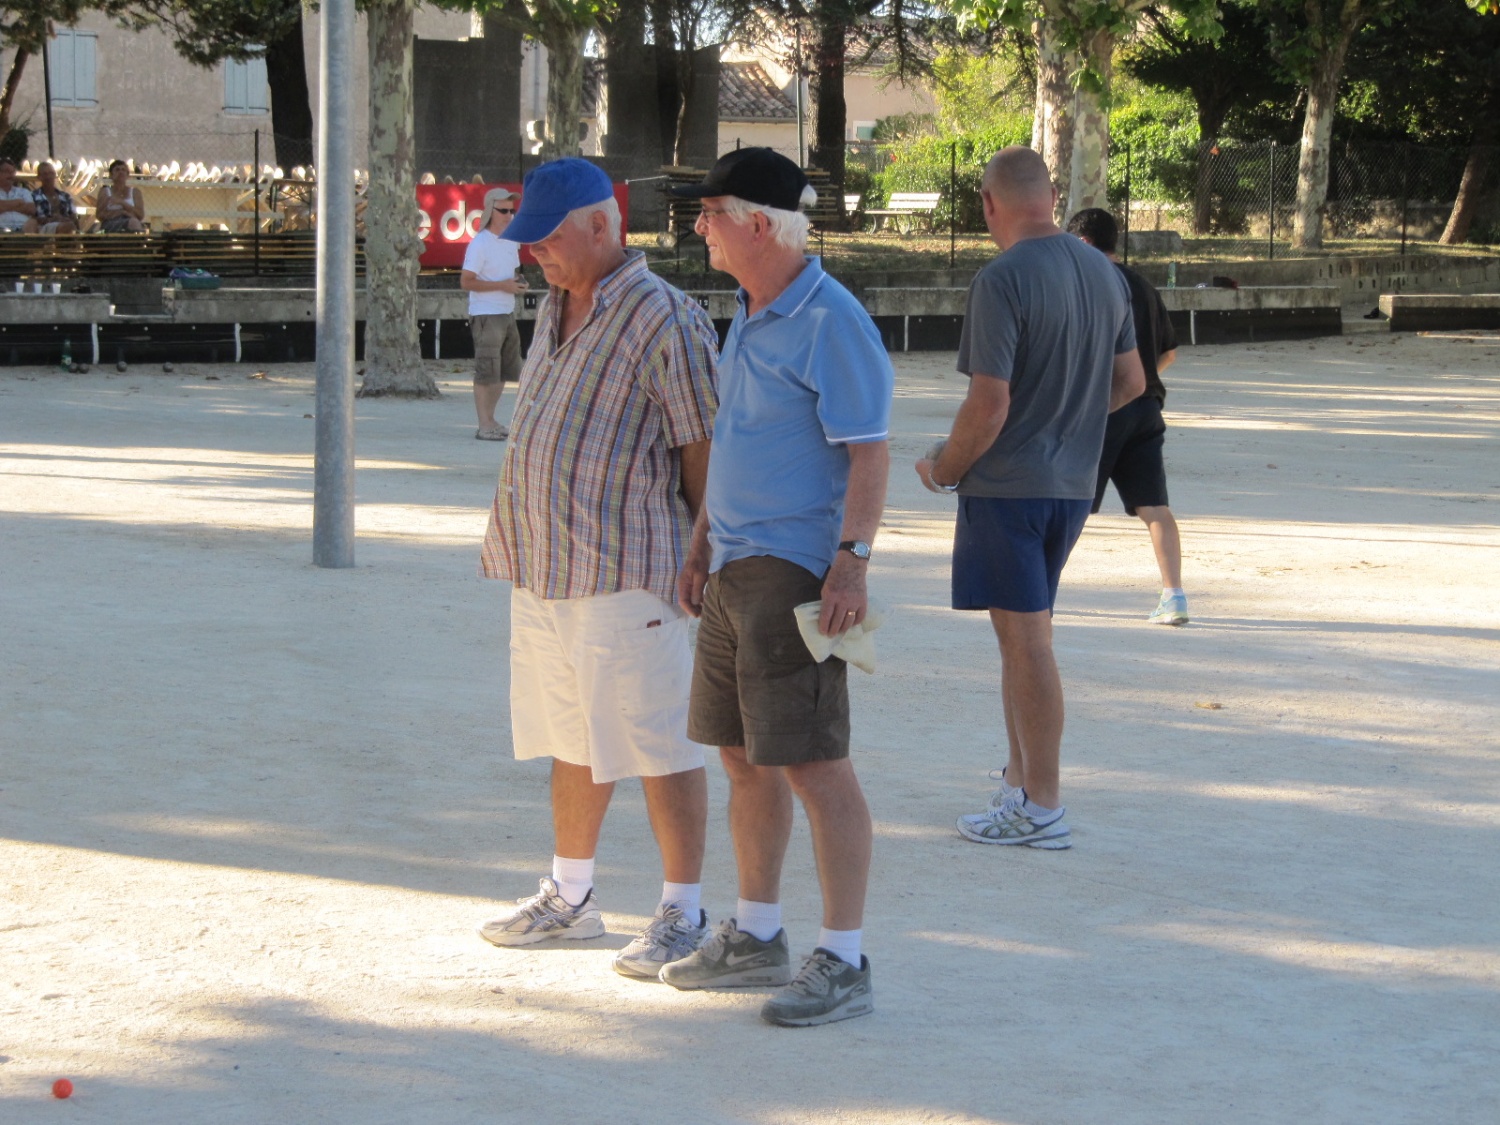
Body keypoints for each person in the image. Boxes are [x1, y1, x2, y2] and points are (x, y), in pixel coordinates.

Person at [659, 148, 893, 1028]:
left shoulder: (832, 320)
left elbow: (869, 452)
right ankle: (757, 934)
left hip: (795, 573)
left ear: (758, 223)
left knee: (814, 762)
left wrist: (852, 562)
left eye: (710, 211)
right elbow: (735, 443)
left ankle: (845, 957)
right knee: (740, 754)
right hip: (732, 570)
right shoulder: (751, 312)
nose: (698, 226)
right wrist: (699, 545)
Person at [475, 159, 721, 983]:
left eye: (547, 238)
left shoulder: (666, 317)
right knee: (569, 736)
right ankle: (571, 895)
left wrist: (704, 554)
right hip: (547, 564)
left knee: (660, 742)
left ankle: (683, 911)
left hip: (629, 569)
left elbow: (703, 446)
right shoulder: (555, 303)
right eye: (529, 240)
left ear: (601, 225)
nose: (534, 252)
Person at [915, 147, 1145, 851]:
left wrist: (944, 467)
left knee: (1029, 643)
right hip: (1070, 485)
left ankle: (1041, 805)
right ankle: (1020, 783)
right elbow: (1131, 382)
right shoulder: (1104, 273)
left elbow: (988, 405)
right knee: (1020, 641)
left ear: (989, 203)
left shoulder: (1002, 277)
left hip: (1007, 489)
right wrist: (1064, 425)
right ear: (1051, 195)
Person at [1065, 207, 1187, 625]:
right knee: (1155, 507)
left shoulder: (1089, 285)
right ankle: (1174, 596)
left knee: (1072, 502)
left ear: (1083, 243)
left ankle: (1038, 590)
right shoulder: (1143, 285)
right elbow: (1169, 352)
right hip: (1147, 406)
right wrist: (1143, 377)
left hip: (1105, 406)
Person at [460, 187, 526, 440]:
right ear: (490, 211)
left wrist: (518, 283)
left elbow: (512, 273)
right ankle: (484, 424)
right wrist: (503, 286)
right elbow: (466, 282)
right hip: (486, 314)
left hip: (507, 311)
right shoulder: (480, 244)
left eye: (512, 211)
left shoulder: (512, 240)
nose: (509, 216)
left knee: (505, 371)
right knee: (486, 372)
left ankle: (491, 419)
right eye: (503, 211)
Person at [24, 162, 79, 235]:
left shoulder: (65, 196)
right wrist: (52, 219)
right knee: (68, 227)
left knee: (70, 226)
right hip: (42, 228)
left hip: (65, 226)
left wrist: (63, 219)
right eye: (45, 174)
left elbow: (74, 217)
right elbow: (30, 218)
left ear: (55, 175)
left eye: (51, 173)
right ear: (39, 177)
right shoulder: (33, 196)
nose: (49, 177)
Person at [94, 160, 146, 233]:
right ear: (111, 175)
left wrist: (122, 203)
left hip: (131, 221)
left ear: (127, 175)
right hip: (110, 223)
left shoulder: (135, 192)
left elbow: (140, 215)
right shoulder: (105, 192)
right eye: (117, 170)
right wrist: (121, 212)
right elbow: (99, 215)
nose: (121, 172)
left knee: (134, 223)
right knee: (134, 223)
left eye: (123, 170)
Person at [0, 159, 36, 233]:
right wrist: (18, 202)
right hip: (1, 229)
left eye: (13, 172)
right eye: (7, 171)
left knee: (33, 222)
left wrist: (4, 206)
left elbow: (31, 209)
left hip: (23, 228)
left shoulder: (23, 192)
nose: (11, 175)